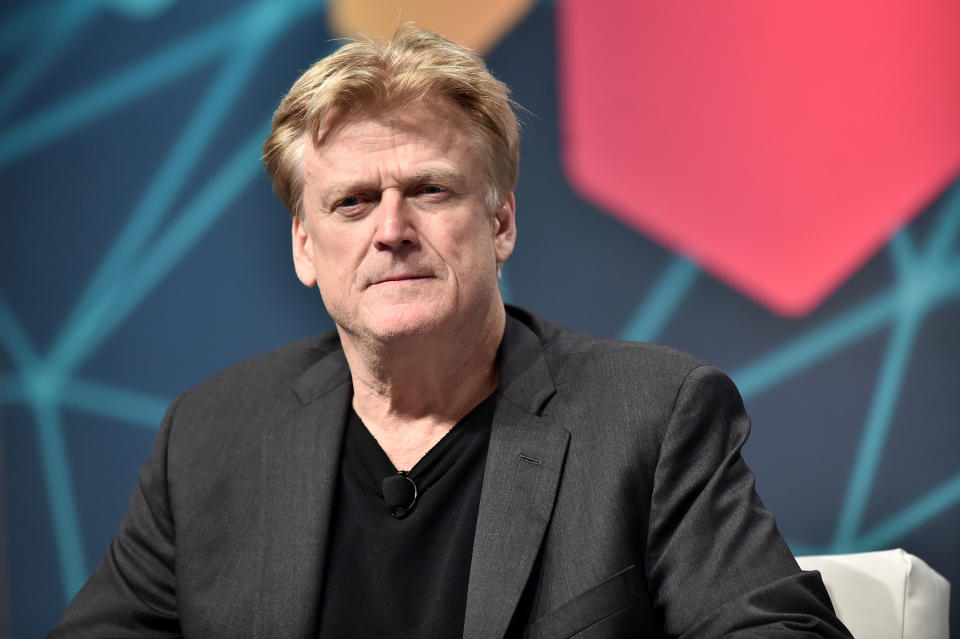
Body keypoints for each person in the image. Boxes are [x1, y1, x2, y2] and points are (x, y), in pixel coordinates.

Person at [50, 25, 852, 638]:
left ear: (500, 220)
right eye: (352, 202)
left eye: (429, 190)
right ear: (304, 246)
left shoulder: (651, 414)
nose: (391, 229)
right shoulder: (211, 438)